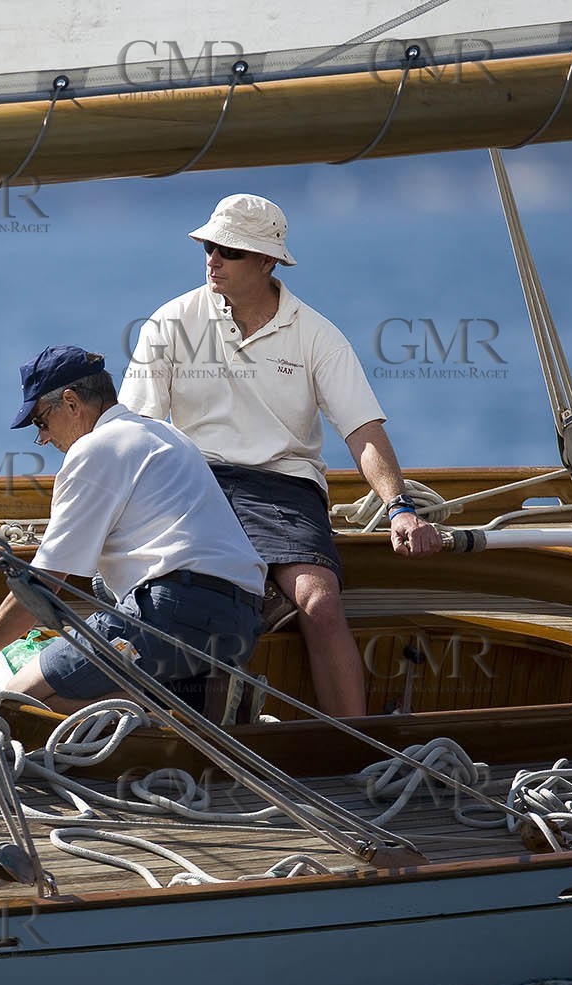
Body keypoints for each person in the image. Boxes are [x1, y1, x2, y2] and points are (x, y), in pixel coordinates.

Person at [119, 193, 443, 719]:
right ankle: (172, 731)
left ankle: (355, 746)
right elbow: (137, 431)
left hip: (282, 488)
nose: (213, 259)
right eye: (208, 247)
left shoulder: (317, 335)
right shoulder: (169, 323)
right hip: (193, 482)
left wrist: (399, 507)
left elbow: (362, 430)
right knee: (179, 597)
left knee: (320, 601)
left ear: (268, 262)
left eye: (230, 250)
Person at [0, 344, 265, 714]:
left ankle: (201, 703)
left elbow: (44, 582)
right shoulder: (167, 434)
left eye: (40, 422)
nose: (42, 438)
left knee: (17, 701)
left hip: (173, 610)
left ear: (71, 402)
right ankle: (205, 697)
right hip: (242, 620)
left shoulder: (94, 449)